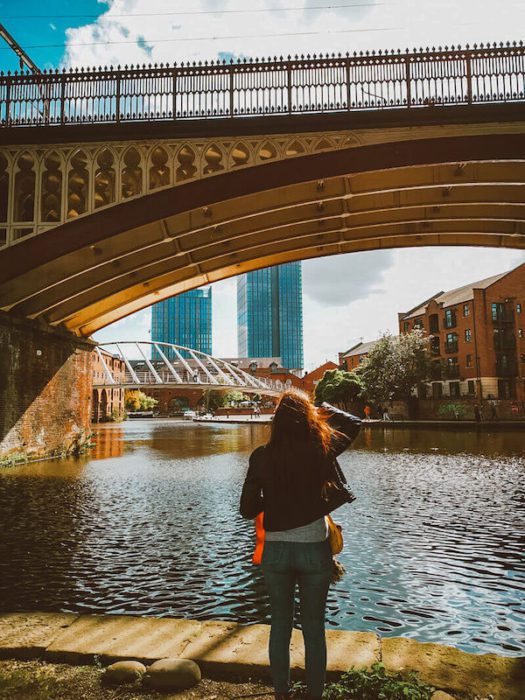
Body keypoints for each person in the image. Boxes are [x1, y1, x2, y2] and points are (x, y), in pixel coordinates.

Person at [240, 390, 361, 700]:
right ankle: (314, 695)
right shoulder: (320, 449)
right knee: (313, 628)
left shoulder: (261, 456)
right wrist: (315, 406)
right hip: (313, 548)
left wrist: (273, 497)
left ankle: (282, 694)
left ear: (276, 422)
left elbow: (247, 510)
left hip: (276, 551)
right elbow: (354, 422)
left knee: (279, 625)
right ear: (307, 419)